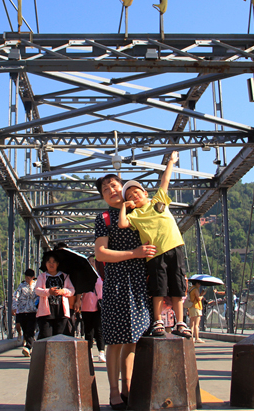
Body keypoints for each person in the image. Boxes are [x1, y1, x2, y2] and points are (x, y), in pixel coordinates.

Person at [94, 173, 156, 410]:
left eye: (114, 185)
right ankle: (113, 391)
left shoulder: (140, 212)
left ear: (122, 188)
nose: (110, 190)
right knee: (115, 340)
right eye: (105, 189)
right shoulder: (104, 218)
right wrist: (134, 253)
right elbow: (100, 253)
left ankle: (127, 387)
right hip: (117, 282)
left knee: (133, 338)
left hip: (139, 282)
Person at [118, 151, 192, 339]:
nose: (134, 196)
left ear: (145, 193)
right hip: (154, 254)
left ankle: (180, 322)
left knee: (177, 287)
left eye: (136, 192)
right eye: (129, 196)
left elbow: (165, 180)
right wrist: (124, 207)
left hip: (174, 247)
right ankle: (158, 321)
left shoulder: (158, 200)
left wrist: (171, 162)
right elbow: (122, 224)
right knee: (158, 288)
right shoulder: (135, 215)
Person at [34, 252, 75, 339]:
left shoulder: (64, 276)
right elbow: (37, 290)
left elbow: (72, 291)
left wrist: (63, 291)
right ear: (46, 264)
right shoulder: (42, 277)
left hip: (61, 312)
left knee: (60, 338)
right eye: (49, 262)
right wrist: (48, 291)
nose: (51, 264)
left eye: (53, 262)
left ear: (57, 264)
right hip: (46, 313)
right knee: (46, 337)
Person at [80, 268, 105, 362]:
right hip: (86, 307)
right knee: (88, 331)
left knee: (99, 330)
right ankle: (89, 351)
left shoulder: (101, 276)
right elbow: (79, 291)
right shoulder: (83, 277)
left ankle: (101, 352)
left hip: (99, 307)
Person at [12, 269, 38, 357]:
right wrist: (14, 307)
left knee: (31, 329)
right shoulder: (22, 286)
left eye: (29, 278)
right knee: (25, 329)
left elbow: (39, 297)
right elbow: (16, 296)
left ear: (32, 277)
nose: (27, 279)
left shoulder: (36, 285)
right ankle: (30, 346)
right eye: (26, 277)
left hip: (33, 311)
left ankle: (28, 347)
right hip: (22, 311)